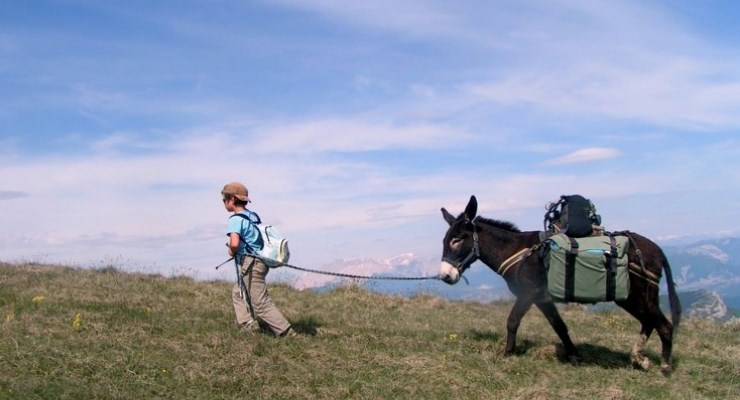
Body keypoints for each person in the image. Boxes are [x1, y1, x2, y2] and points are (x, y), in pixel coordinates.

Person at [221, 182, 297, 337]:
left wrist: (231, 250)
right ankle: (247, 324)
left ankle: (287, 333)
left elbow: (234, 244)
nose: (224, 203)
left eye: (224, 199)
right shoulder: (253, 216)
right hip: (260, 261)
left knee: (260, 303)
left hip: (250, 263)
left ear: (232, 199)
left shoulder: (235, 219)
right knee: (238, 292)